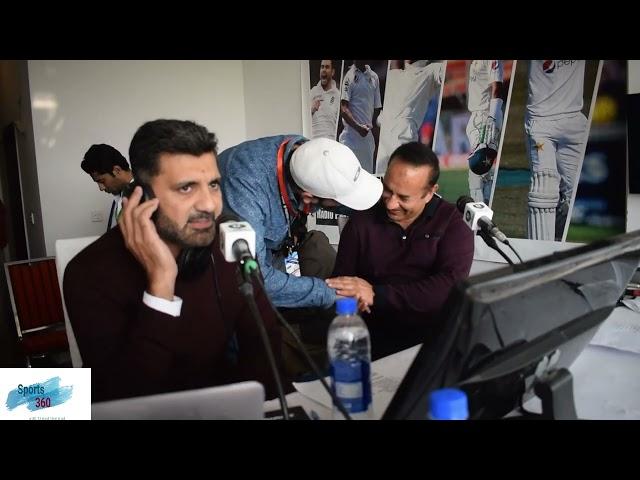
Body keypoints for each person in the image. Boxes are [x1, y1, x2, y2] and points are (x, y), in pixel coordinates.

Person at [65, 120, 282, 402]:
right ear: (142, 198)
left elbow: (265, 352)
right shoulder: (88, 272)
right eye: (186, 188)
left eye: (214, 185)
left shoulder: (227, 248)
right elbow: (119, 399)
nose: (209, 204)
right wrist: (161, 286)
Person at [327, 142, 474, 359]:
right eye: (387, 190)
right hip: (370, 342)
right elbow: (343, 283)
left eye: (404, 198)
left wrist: (376, 294)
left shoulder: (453, 224)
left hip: (431, 345)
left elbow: (448, 289)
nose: (391, 204)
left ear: (430, 193)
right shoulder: (361, 221)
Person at [526, 60, 588, 241]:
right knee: (543, 189)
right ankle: (538, 255)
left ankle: (557, 247)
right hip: (541, 121)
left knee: (573, 197)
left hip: (573, 120)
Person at [375, 60, 444, 176]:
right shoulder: (394, 74)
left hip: (403, 135)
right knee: (380, 183)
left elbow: (445, 73)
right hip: (384, 137)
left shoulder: (429, 72)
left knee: (400, 180)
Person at [466, 60, 505, 204]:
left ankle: (481, 216)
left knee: (478, 170)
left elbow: (498, 87)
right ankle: (484, 211)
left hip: (485, 117)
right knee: (484, 173)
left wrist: (492, 118)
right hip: (478, 117)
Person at [339, 61, 382, 174]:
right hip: (349, 141)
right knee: (347, 179)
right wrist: (358, 128)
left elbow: (377, 107)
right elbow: (343, 109)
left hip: (367, 143)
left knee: (366, 181)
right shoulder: (349, 76)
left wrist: (370, 126)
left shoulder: (374, 77)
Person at [81, 144, 134, 231]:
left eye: (102, 181)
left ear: (117, 170)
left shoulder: (146, 195)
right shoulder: (120, 195)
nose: (101, 188)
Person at [310, 59, 341, 139]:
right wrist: (311, 109)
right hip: (313, 142)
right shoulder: (312, 92)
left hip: (330, 144)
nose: (323, 70)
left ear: (332, 72)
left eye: (327, 67)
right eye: (322, 67)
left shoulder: (338, 95)